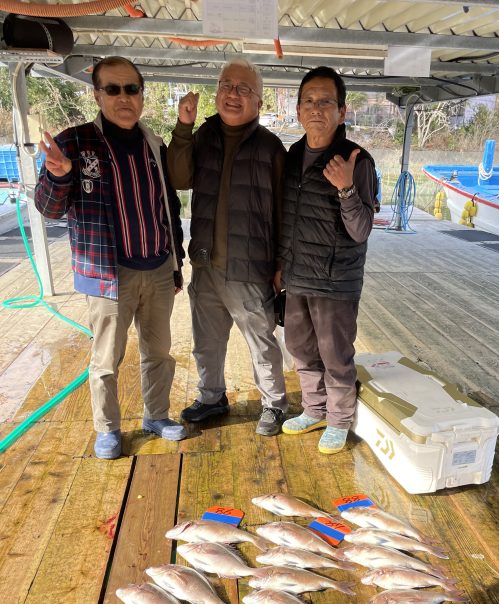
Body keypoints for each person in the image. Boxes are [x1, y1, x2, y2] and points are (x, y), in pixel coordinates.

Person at [35, 56, 186, 460]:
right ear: (97, 95)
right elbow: (48, 208)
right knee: (106, 360)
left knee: (159, 353)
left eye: (131, 89)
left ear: (141, 94)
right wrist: (59, 176)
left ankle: (157, 415)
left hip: (157, 268)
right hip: (107, 275)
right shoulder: (73, 143)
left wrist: (176, 264)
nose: (124, 98)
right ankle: (107, 428)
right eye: (113, 89)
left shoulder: (154, 143)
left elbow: (168, 206)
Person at [167, 59, 288, 436]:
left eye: (244, 89)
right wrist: (183, 126)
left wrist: (281, 264)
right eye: (226, 85)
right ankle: (211, 397)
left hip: (250, 268)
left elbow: (285, 211)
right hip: (205, 264)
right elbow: (179, 177)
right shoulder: (203, 135)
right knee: (206, 342)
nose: (233, 94)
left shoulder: (271, 148)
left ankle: (274, 404)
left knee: (261, 342)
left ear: (259, 102)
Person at [279, 67, 378, 454]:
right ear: (298, 110)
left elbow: (362, 230)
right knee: (301, 348)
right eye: (308, 101)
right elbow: (287, 217)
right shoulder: (293, 155)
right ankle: (314, 409)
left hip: (336, 281)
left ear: (342, 111)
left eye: (325, 101)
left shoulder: (357, 160)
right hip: (298, 276)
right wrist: (281, 267)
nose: (316, 108)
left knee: (335, 354)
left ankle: (338, 419)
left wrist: (347, 189)